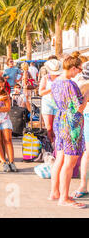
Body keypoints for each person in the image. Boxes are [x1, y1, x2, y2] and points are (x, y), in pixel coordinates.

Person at [49, 55, 87, 208]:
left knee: (60, 158)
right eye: (78, 69)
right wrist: (87, 94)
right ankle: (64, 197)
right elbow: (79, 107)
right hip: (71, 124)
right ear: (73, 68)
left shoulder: (55, 82)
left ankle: (55, 192)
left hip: (60, 120)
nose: (79, 72)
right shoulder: (70, 84)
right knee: (70, 162)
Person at [73, 61, 89, 199]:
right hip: (87, 117)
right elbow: (79, 108)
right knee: (87, 153)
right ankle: (83, 185)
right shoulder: (84, 87)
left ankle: (83, 185)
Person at [38, 59, 62, 143]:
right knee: (49, 127)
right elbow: (40, 92)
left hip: (58, 103)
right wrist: (51, 89)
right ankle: (51, 144)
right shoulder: (45, 78)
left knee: (56, 127)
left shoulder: (61, 78)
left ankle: (56, 145)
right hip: (47, 103)